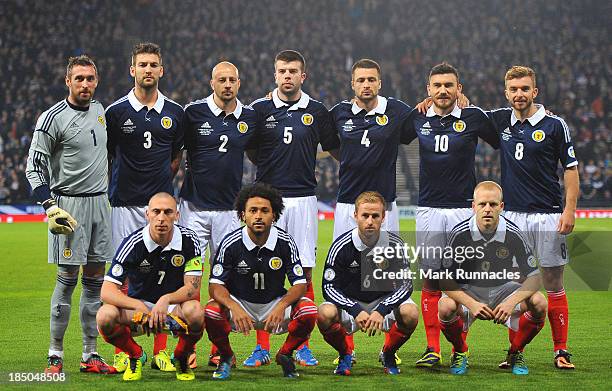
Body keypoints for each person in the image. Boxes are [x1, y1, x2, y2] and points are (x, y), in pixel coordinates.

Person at [244, 50, 338, 367]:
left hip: (303, 200)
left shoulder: (317, 111)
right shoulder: (258, 110)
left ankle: (300, 344)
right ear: (275, 75)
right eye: (282, 70)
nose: (287, 76)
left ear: (303, 75)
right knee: (262, 269)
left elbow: (335, 148)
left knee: (304, 272)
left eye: (293, 71)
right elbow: (253, 151)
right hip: (267, 201)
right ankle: (262, 346)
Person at [25, 55, 115, 374]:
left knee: (95, 284)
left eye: (90, 78)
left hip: (100, 206)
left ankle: (90, 355)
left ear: (97, 80)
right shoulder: (52, 118)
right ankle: (55, 355)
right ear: (68, 81)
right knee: (66, 282)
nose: (85, 84)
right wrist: (49, 206)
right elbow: (34, 168)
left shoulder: (102, 112)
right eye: (79, 78)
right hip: (69, 207)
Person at [405, 63, 499, 367]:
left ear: (459, 89)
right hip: (429, 209)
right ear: (428, 90)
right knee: (431, 280)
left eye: (449, 85)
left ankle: (461, 348)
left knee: (460, 284)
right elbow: (387, 134)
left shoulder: (473, 117)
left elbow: (503, 140)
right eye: (437, 86)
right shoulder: (417, 117)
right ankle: (432, 349)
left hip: (463, 209)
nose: (443, 90)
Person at [486, 66, 579, 369]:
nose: (519, 94)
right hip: (512, 218)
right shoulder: (500, 120)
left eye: (524, 89)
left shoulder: (554, 125)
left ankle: (561, 350)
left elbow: (570, 169)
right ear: (506, 92)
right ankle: (515, 351)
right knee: (515, 289)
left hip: (549, 215)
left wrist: (569, 209)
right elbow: (466, 112)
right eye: (513, 89)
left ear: (534, 92)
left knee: (552, 282)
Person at [105, 42, 185, 372]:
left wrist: (160, 195)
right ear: (132, 70)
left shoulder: (175, 113)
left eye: (154, 64)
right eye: (142, 64)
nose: (148, 69)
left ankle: (162, 351)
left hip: (160, 208)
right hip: (123, 204)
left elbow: (176, 157)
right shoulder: (115, 112)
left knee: (163, 279)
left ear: (161, 70)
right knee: (125, 278)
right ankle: (126, 349)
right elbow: (108, 155)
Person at [328, 58, 413, 364]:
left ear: (380, 83)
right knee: (345, 274)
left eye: (371, 80)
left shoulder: (397, 111)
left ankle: (388, 350)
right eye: (361, 80)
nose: (366, 85)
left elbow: (426, 118)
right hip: (348, 204)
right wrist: (352, 159)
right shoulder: (338, 113)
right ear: (352, 83)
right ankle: (346, 352)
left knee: (389, 273)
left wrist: (456, 99)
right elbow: (329, 144)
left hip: (386, 206)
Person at [179, 61, 259, 367]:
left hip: (228, 214)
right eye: (221, 80)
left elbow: (257, 150)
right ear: (212, 83)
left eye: (232, 80)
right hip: (194, 212)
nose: (227, 85)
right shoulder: (193, 113)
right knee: (192, 282)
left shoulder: (249, 116)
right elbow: (176, 151)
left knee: (223, 281)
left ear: (239, 83)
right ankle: (189, 348)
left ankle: (218, 349)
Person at [204, 183, 318, 379]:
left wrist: (282, 305)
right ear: (242, 215)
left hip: (274, 304)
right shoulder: (230, 243)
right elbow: (215, 285)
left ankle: (285, 354)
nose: (258, 216)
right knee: (211, 311)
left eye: (265, 211)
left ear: (274, 215)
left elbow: (300, 284)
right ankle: (226, 357)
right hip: (240, 304)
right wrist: (234, 306)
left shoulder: (285, 242)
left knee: (309, 311)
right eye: (253, 210)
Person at [438, 181, 547, 375]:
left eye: (493, 204)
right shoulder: (459, 233)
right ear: (473, 206)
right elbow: (444, 279)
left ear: (501, 207)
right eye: (482, 204)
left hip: (503, 288)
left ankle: (515, 352)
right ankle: (460, 351)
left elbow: (535, 278)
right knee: (445, 307)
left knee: (539, 303)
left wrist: (510, 303)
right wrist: (471, 304)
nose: (487, 209)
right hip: (469, 288)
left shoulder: (514, 233)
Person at [96, 192, 204, 381]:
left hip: (171, 310)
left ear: (177, 215)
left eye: (168, 212)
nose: (161, 218)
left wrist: (166, 299)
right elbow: (106, 290)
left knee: (196, 313)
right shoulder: (133, 243)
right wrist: (139, 306)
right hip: (138, 312)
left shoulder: (189, 240)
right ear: (147, 214)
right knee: (105, 316)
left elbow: (192, 288)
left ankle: (180, 357)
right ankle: (135, 355)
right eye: (156, 212)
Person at [318, 191, 418, 375]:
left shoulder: (395, 244)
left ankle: (388, 353)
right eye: (365, 215)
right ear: (355, 216)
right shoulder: (341, 246)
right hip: (352, 305)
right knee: (325, 313)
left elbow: (406, 285)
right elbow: (328, 287)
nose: (370, 221)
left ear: (383, 217)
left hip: (383, 303)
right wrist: (354, 309)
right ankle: (345, 354)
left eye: (375, 216)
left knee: (410, 313)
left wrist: (382, 309)